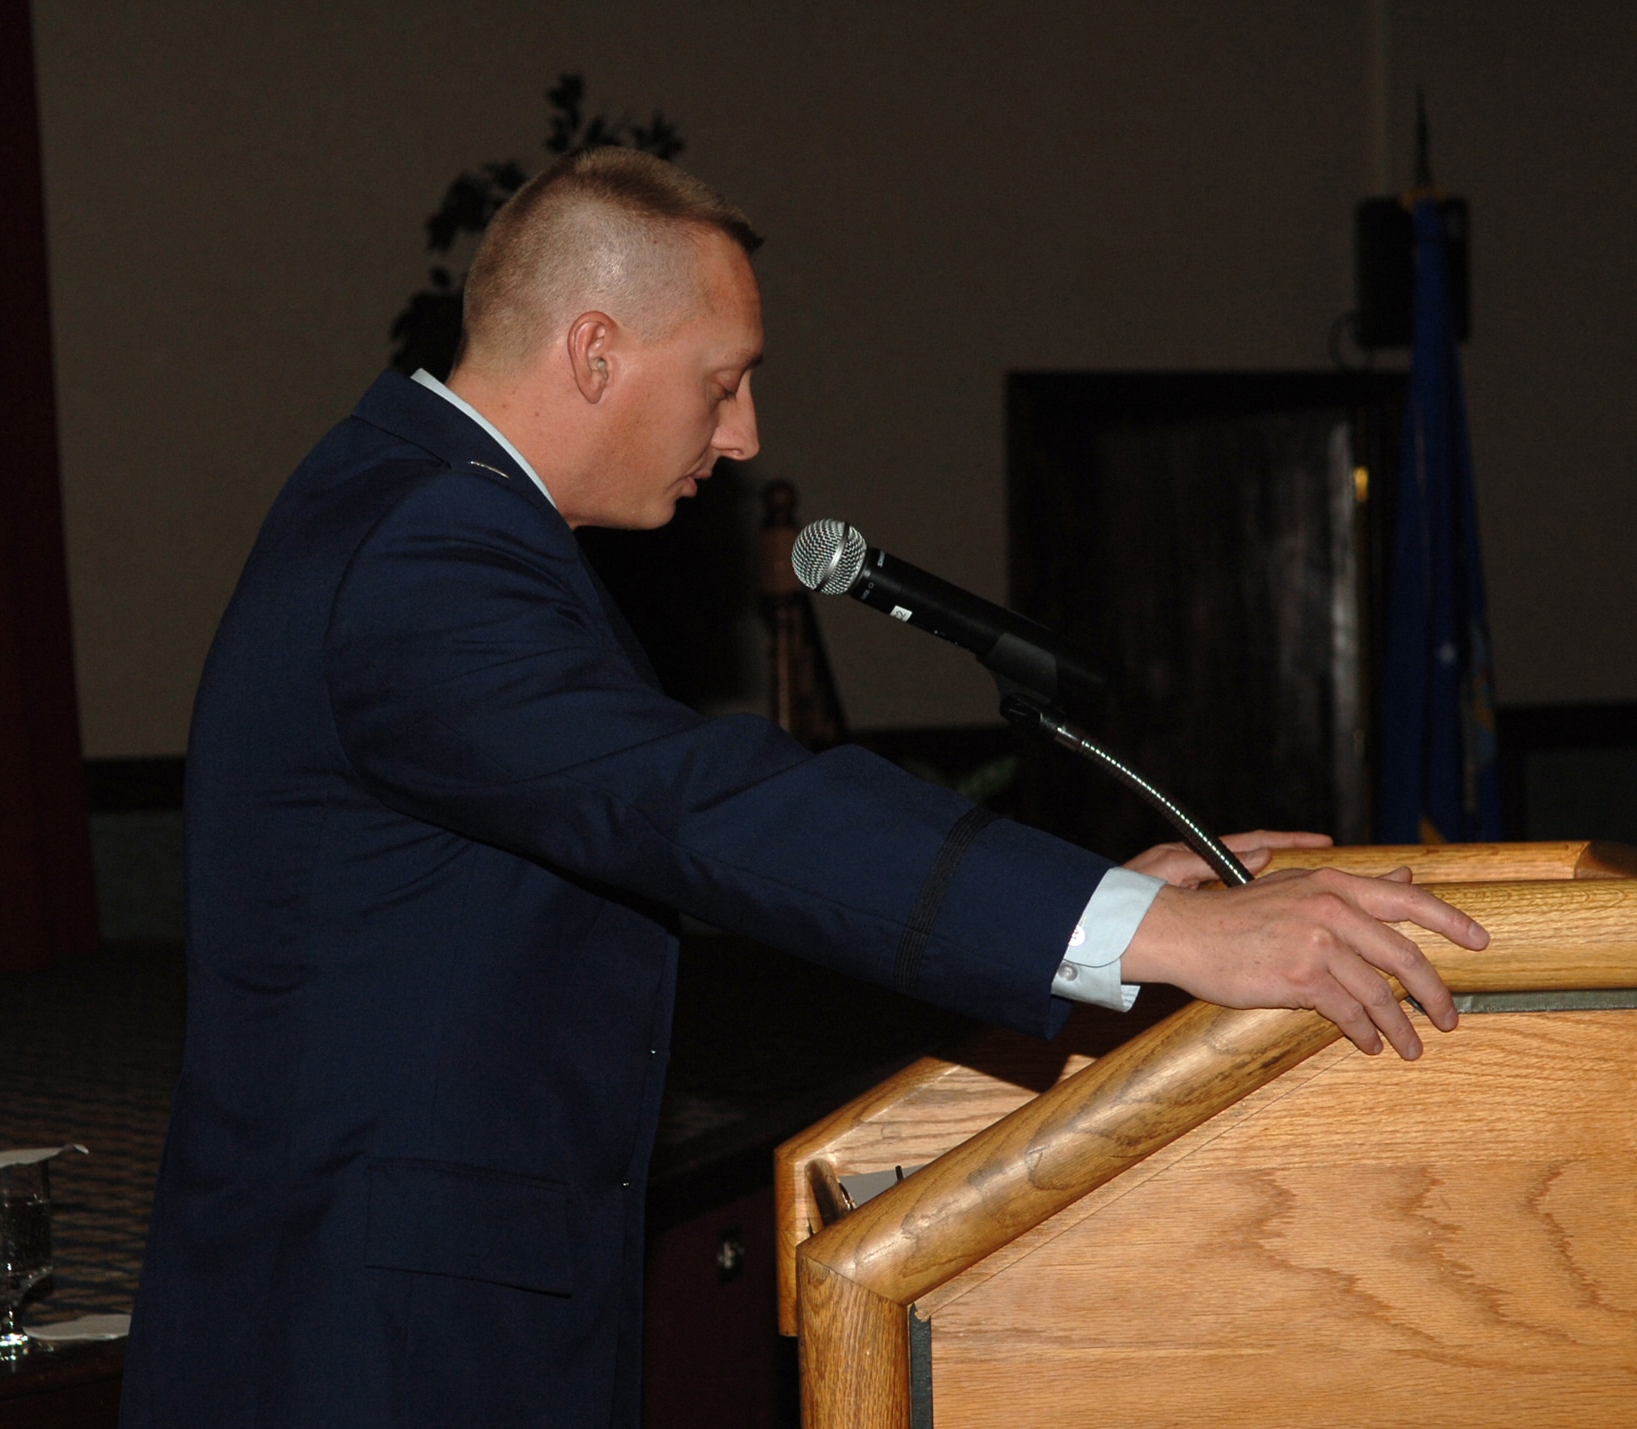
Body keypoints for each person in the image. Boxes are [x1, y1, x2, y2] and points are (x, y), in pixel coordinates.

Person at [120, 149, 1485, 1428]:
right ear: (594, 347)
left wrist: (1120, 896)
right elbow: (697, 799)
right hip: (366, 1353)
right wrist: (1149, 928)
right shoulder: (426, 545)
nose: (744, 432)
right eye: (723, 382)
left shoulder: (424, 511)